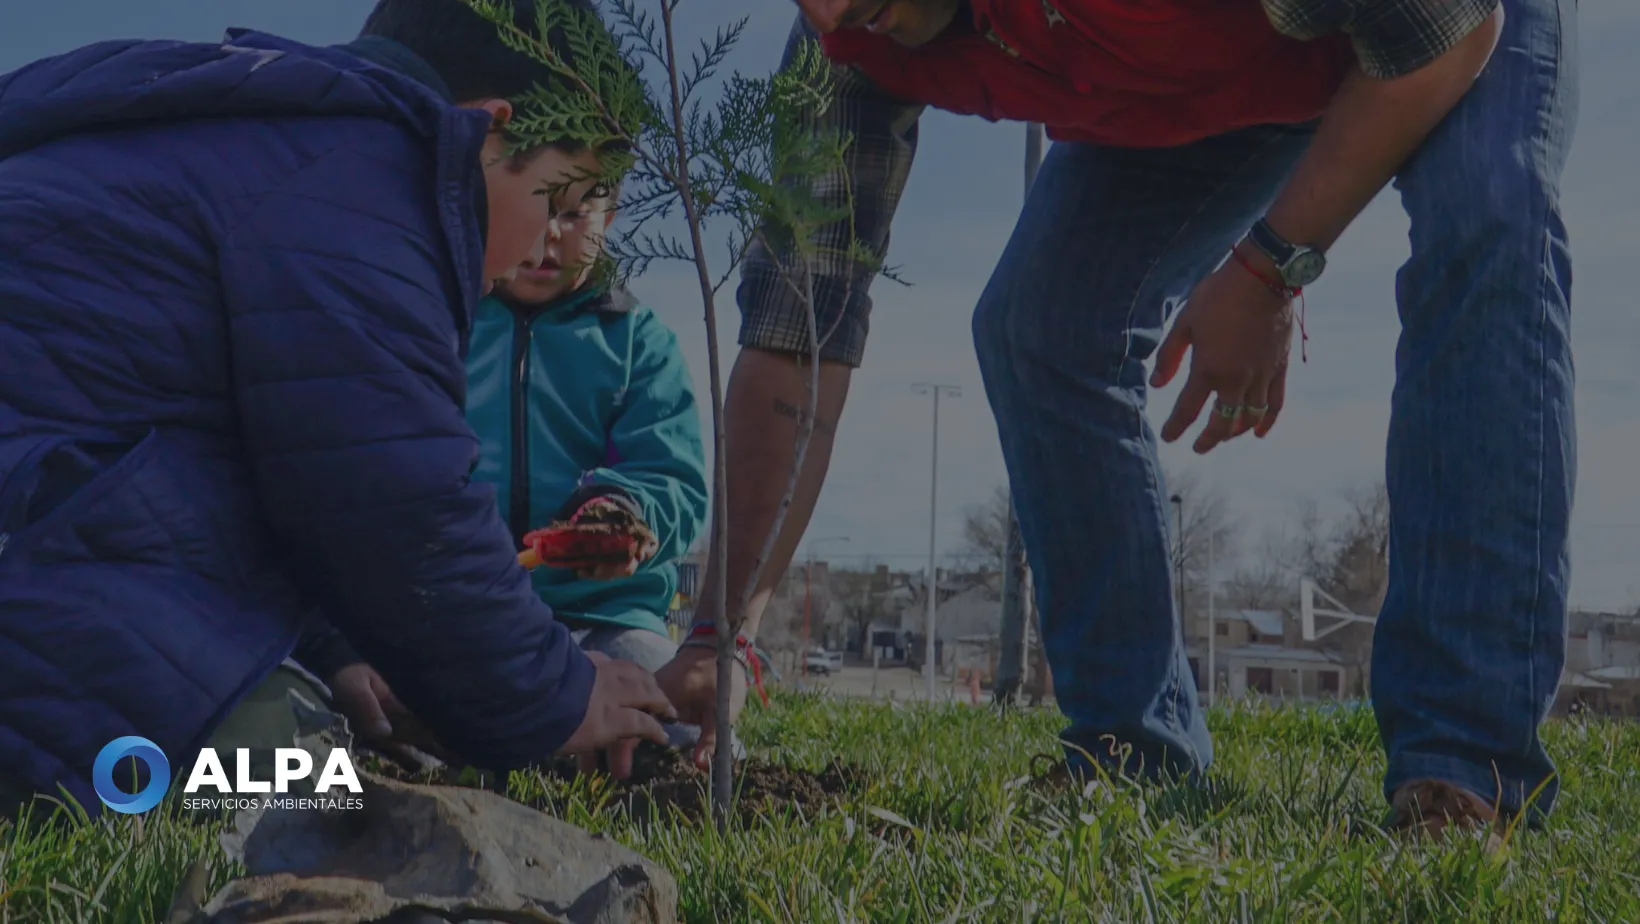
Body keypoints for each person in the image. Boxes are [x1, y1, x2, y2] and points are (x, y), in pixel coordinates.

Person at [654, 0, 1576, 838]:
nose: (833, 10)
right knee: (1043, 323)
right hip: (1224, 64)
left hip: (1444, 19)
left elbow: (1443, 32)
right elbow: (797, 330)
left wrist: (1271, 265)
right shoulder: (841, 35)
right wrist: (716, 637)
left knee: (1489, 213)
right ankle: (1136, 746)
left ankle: (1465, 766)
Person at [0, 0, 677, 822]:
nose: (548, 242)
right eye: (554, 199)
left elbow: (286, 480)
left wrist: (336, 645)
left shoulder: (276, 138)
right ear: (489, 130)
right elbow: (397, 509)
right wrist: (561, 695)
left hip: (51, 525)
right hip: (36, 579)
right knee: (307, 775)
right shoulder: (370, 192)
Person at [296, 162, 727, 762]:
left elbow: (670, 475)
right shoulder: (440, 326)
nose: (548, 236)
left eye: (574, 213)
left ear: (614, 215)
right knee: (371, 714)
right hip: (459, 615)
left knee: (658, 722)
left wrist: (622, 512)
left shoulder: (639, 341)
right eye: (534, 206)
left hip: (605, 619)